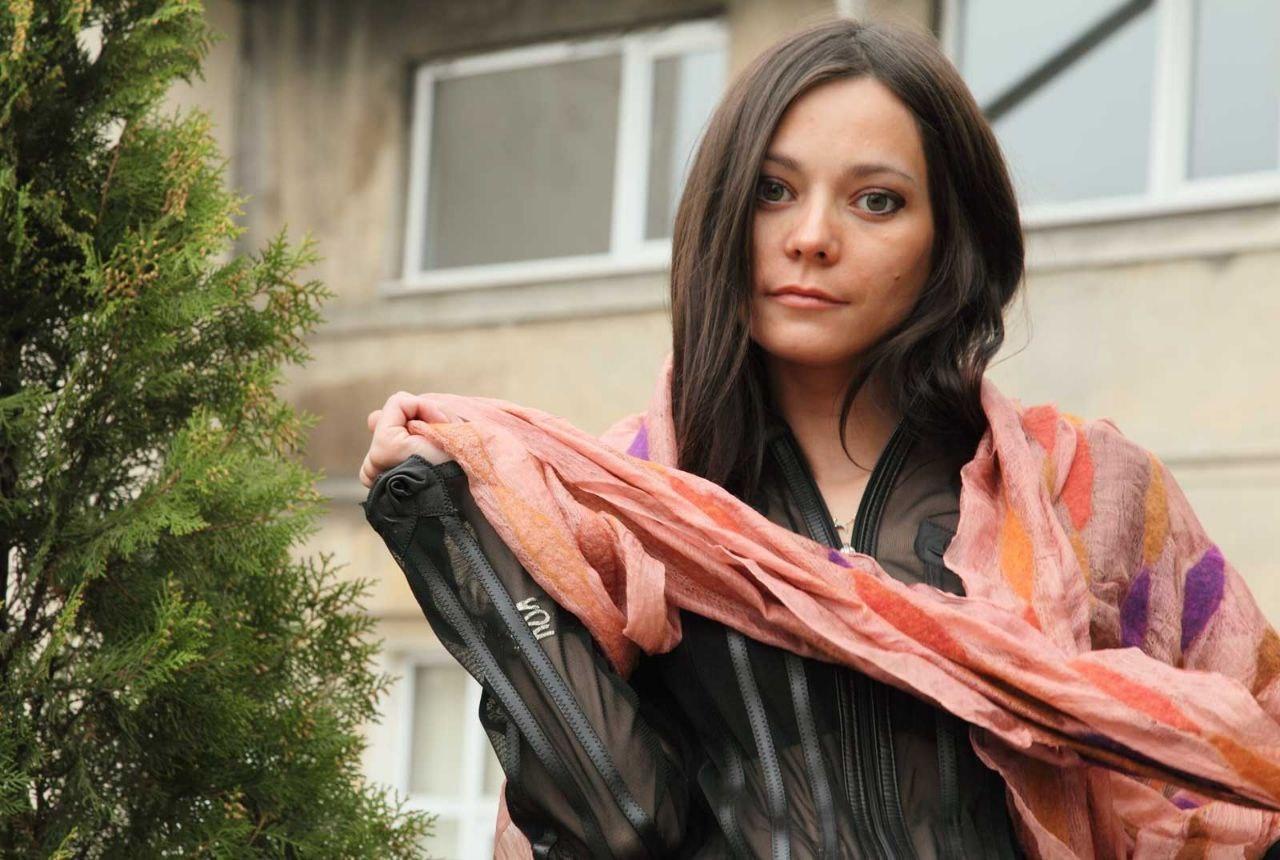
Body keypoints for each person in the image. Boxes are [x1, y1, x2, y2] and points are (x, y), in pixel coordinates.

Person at [359, 18, 1280, 859]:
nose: (810, 237)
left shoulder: (1084, 489)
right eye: (773, 191)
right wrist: (442, 533)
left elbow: (1251, 756)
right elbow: (616, 822)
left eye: (876, 201)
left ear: (949, 238)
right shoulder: (621, 505)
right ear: (723, 209)